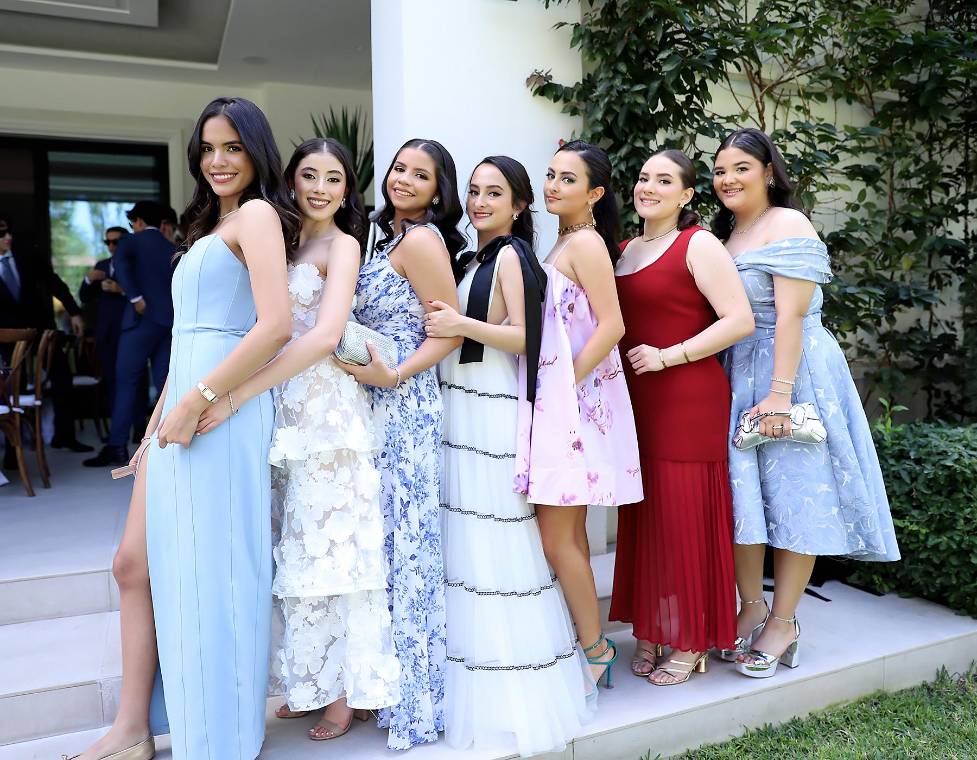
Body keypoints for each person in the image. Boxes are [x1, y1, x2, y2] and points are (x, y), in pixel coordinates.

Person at [68, 96, 295, 760]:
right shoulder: (209, 224)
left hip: (219, 412)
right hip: (180, 410)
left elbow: (276, 326)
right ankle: (132, 728)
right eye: (207, 148)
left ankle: (219, 735)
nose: (217, 160)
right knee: (131, 564)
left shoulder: (257, 216)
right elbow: (188, 340)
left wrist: (200, 398)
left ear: (256, 152)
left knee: (210, 570)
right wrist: (149, 432)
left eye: (232, 147)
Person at [197, 137, 401, 741]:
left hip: (327, 412)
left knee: (333, 544)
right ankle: (309, 679)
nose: (319, 188)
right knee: (292, 546)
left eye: (333, 179)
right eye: (309, 175)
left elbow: (324, 335)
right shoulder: (276, 239)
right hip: (277, 408)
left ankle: (345, 695)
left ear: (347, 191)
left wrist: (238, 392)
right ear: (290, 180)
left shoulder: (344, 245)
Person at [713, 127, 900, 679]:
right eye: (720, 170)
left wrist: (778, 394)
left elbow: (791, 315)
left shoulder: (788, 224)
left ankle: (784, 622)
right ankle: (752, 606)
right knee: (743, 498)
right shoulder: (726, 233)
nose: (728, 179)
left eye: (741, 168)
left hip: (790, 373)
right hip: (736, 371)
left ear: (769, 172)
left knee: (797, 496)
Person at [426, 156, 594, 756]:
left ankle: (514, 690)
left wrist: (461, 324)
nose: (479, 201)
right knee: (468, 543)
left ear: (519, 205)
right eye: (474, 191)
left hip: (492, 410)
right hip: (461, 404)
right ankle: (466, 679)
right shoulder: (469, 257)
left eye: (494, 193)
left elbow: (528, 338)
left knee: (498, 540)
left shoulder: (514, 257)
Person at [608, 149, 754, 685]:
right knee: (648, 518)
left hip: (686, 396)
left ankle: (691, 639)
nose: (649, 187)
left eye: (664, 180)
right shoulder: (625, 250)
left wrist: (670, 356)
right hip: (636, 400)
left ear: (687, 195)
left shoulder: (698, 243)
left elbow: (739, 319)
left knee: (684, 519)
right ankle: (653, 628)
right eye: (644, 177)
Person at [338, 138, 464, 750]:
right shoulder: (380, 237)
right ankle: (379, 686)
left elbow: (448, 331)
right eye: (399, 168)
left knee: (408, 548)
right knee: (381, 545)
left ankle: (417, 701)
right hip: (372, 405)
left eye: (421, 174)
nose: (404, 180)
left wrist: (395, 376)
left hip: (406, 403)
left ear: (439, 190)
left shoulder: (421, 242)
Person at [513, 140, 642, 693]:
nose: (553, 186)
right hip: (561, 403)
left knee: (556, 538)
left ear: (594, 193)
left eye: (568, 179)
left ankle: (594, 648)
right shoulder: (565, 240)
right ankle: (585, 640)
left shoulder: (586, 243)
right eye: (550, 175)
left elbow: (613, 325)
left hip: (573, 406)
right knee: (568, 534)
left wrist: (562, 383)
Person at [84, 202, 175, 467]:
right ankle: (167, 448)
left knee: (126, 384)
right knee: (165, 387)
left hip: (138, 324)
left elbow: (120, 267)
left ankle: (117, 447)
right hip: (167, 324)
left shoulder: (131, 242)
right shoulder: (172, 247)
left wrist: (135, 297)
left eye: (133, 222)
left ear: (138, 221)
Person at [0, 214, 91, 460]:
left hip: (41, 329)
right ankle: (13, 450)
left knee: (62, 378)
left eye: (8, 231)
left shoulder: (27, 254)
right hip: (6, 338)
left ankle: (65, 436)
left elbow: (54, 283)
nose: (8, 237)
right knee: (12, 387)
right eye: (2, 233)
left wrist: (74, 312)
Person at [79, 226, 129, 412]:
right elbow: (84, 297)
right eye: (107, 242)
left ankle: (140, 425)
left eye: (115, 242)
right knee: (110, 378)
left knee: (133, 378)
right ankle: (116, 423)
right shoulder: (101, 265)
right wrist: (88, 279)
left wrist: (121, 290)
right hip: (106, 333)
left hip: (128, 331)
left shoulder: (135, 264)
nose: (111, 246)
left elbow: (147, 296)